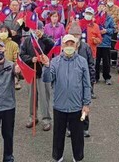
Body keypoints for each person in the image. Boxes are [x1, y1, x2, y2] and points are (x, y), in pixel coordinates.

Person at [43, 34, 91, 162]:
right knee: (58, 135)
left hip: (77, 106)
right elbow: (47, 79)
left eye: (72, 44)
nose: (69, 46)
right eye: (66, 44)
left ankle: (78, 157)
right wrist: (46, 66)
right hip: (59, 105)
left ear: (76, 46)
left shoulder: (82, 61)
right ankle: (58, 157)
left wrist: (86, 104)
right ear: (62, 46)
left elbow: (87, 84)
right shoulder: (55, 61)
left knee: (78, 136)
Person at [19, 21, 54, 131]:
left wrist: (43, 37)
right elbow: (22, 55)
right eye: (34, 29)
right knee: (31, 98)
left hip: (43, 73)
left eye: (38, 29)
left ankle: (46, 119)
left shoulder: (45, 39)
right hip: (31, 72)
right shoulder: (27, 41)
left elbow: (52, 46)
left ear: (43, 29)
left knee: (45, 98)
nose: (36, 31)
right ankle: (32, 117)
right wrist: (31, 59)